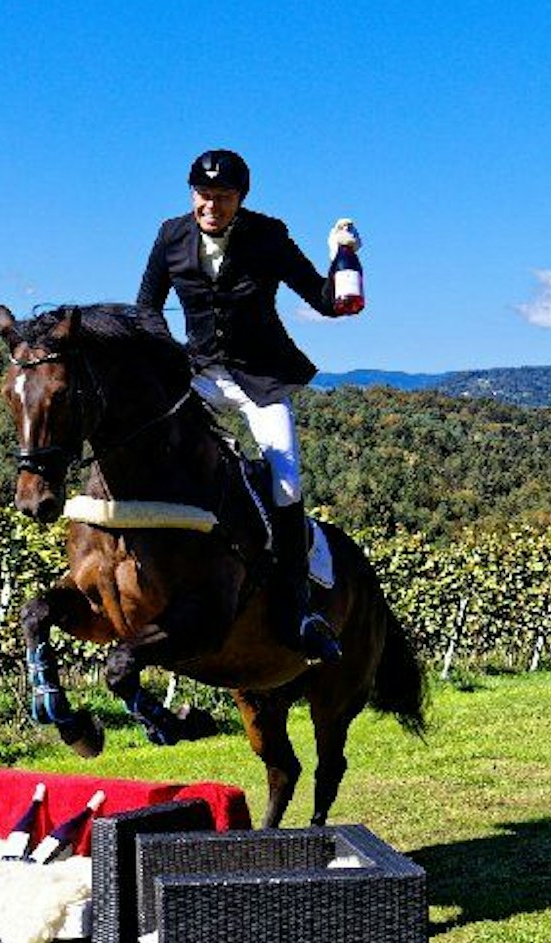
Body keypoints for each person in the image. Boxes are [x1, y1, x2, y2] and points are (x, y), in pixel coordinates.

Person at [136, 148, 360, 662]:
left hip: (259, 380)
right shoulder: (170, 235)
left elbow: (326, 300)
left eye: (223, 197)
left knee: (286, 480)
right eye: (203, 195)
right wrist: (165, 365)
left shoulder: (269, 235)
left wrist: (342, 255)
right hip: (198, 375)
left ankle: (297, 605)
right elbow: (147, 310)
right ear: (192, 194)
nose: (210, 206)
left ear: (240, 199)